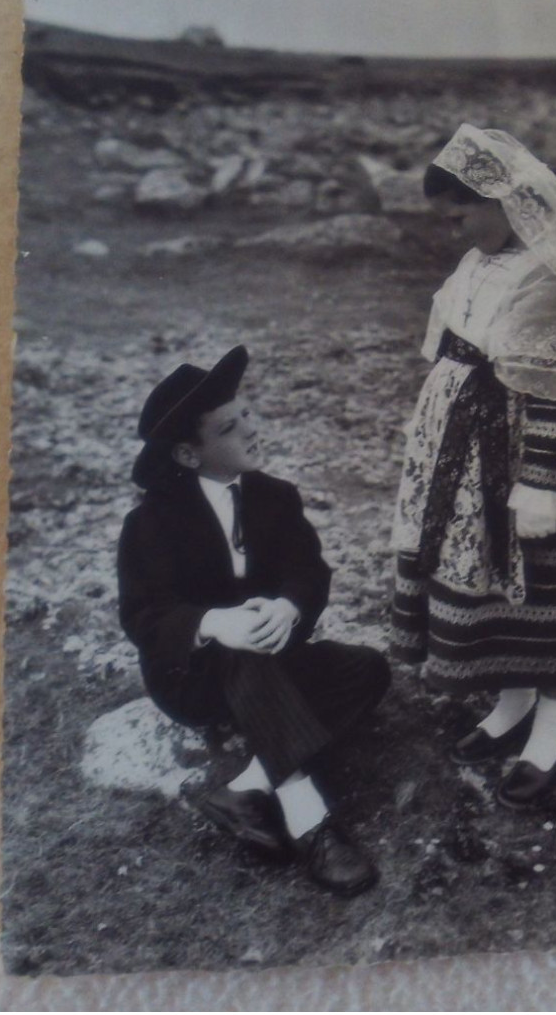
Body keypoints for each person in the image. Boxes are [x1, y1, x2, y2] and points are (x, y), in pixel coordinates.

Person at [390, 124, 556, 808]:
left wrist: (538, 483)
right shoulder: (476, 265)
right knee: (489, 581)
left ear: (504, 200)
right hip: (465, 453)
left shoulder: (546, 275)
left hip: (528, 459)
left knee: (541, 578)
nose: (454, 229)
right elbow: (450, 349)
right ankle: (513, 697)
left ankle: (555, 717)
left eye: (461, 213)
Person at [117, 345, 390, 896]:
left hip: (271, 660)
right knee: (242, 648)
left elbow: (308, 571)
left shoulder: (275, 497)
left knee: (368, 669)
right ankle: (308, 817)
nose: (251, 430)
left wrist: (289, 607)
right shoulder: (152, 521)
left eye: (248, 415)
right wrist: (213, 623)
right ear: (190, 456)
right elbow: (143, 618)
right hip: (192, 677)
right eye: (228, 428)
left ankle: (245, 789)